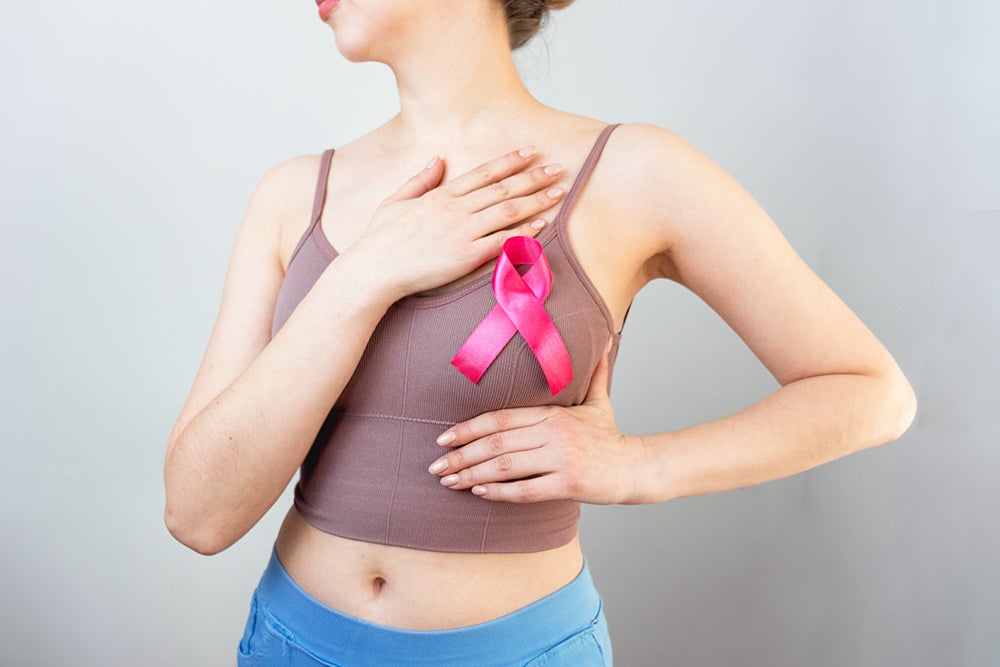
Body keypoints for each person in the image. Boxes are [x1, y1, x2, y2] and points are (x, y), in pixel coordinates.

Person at [163, 1, 917, 665]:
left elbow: (872, 392)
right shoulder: (291, 196)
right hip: (293, 644)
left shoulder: (634, 172)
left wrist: (639, 467)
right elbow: (197, 515)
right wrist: (365, 274)